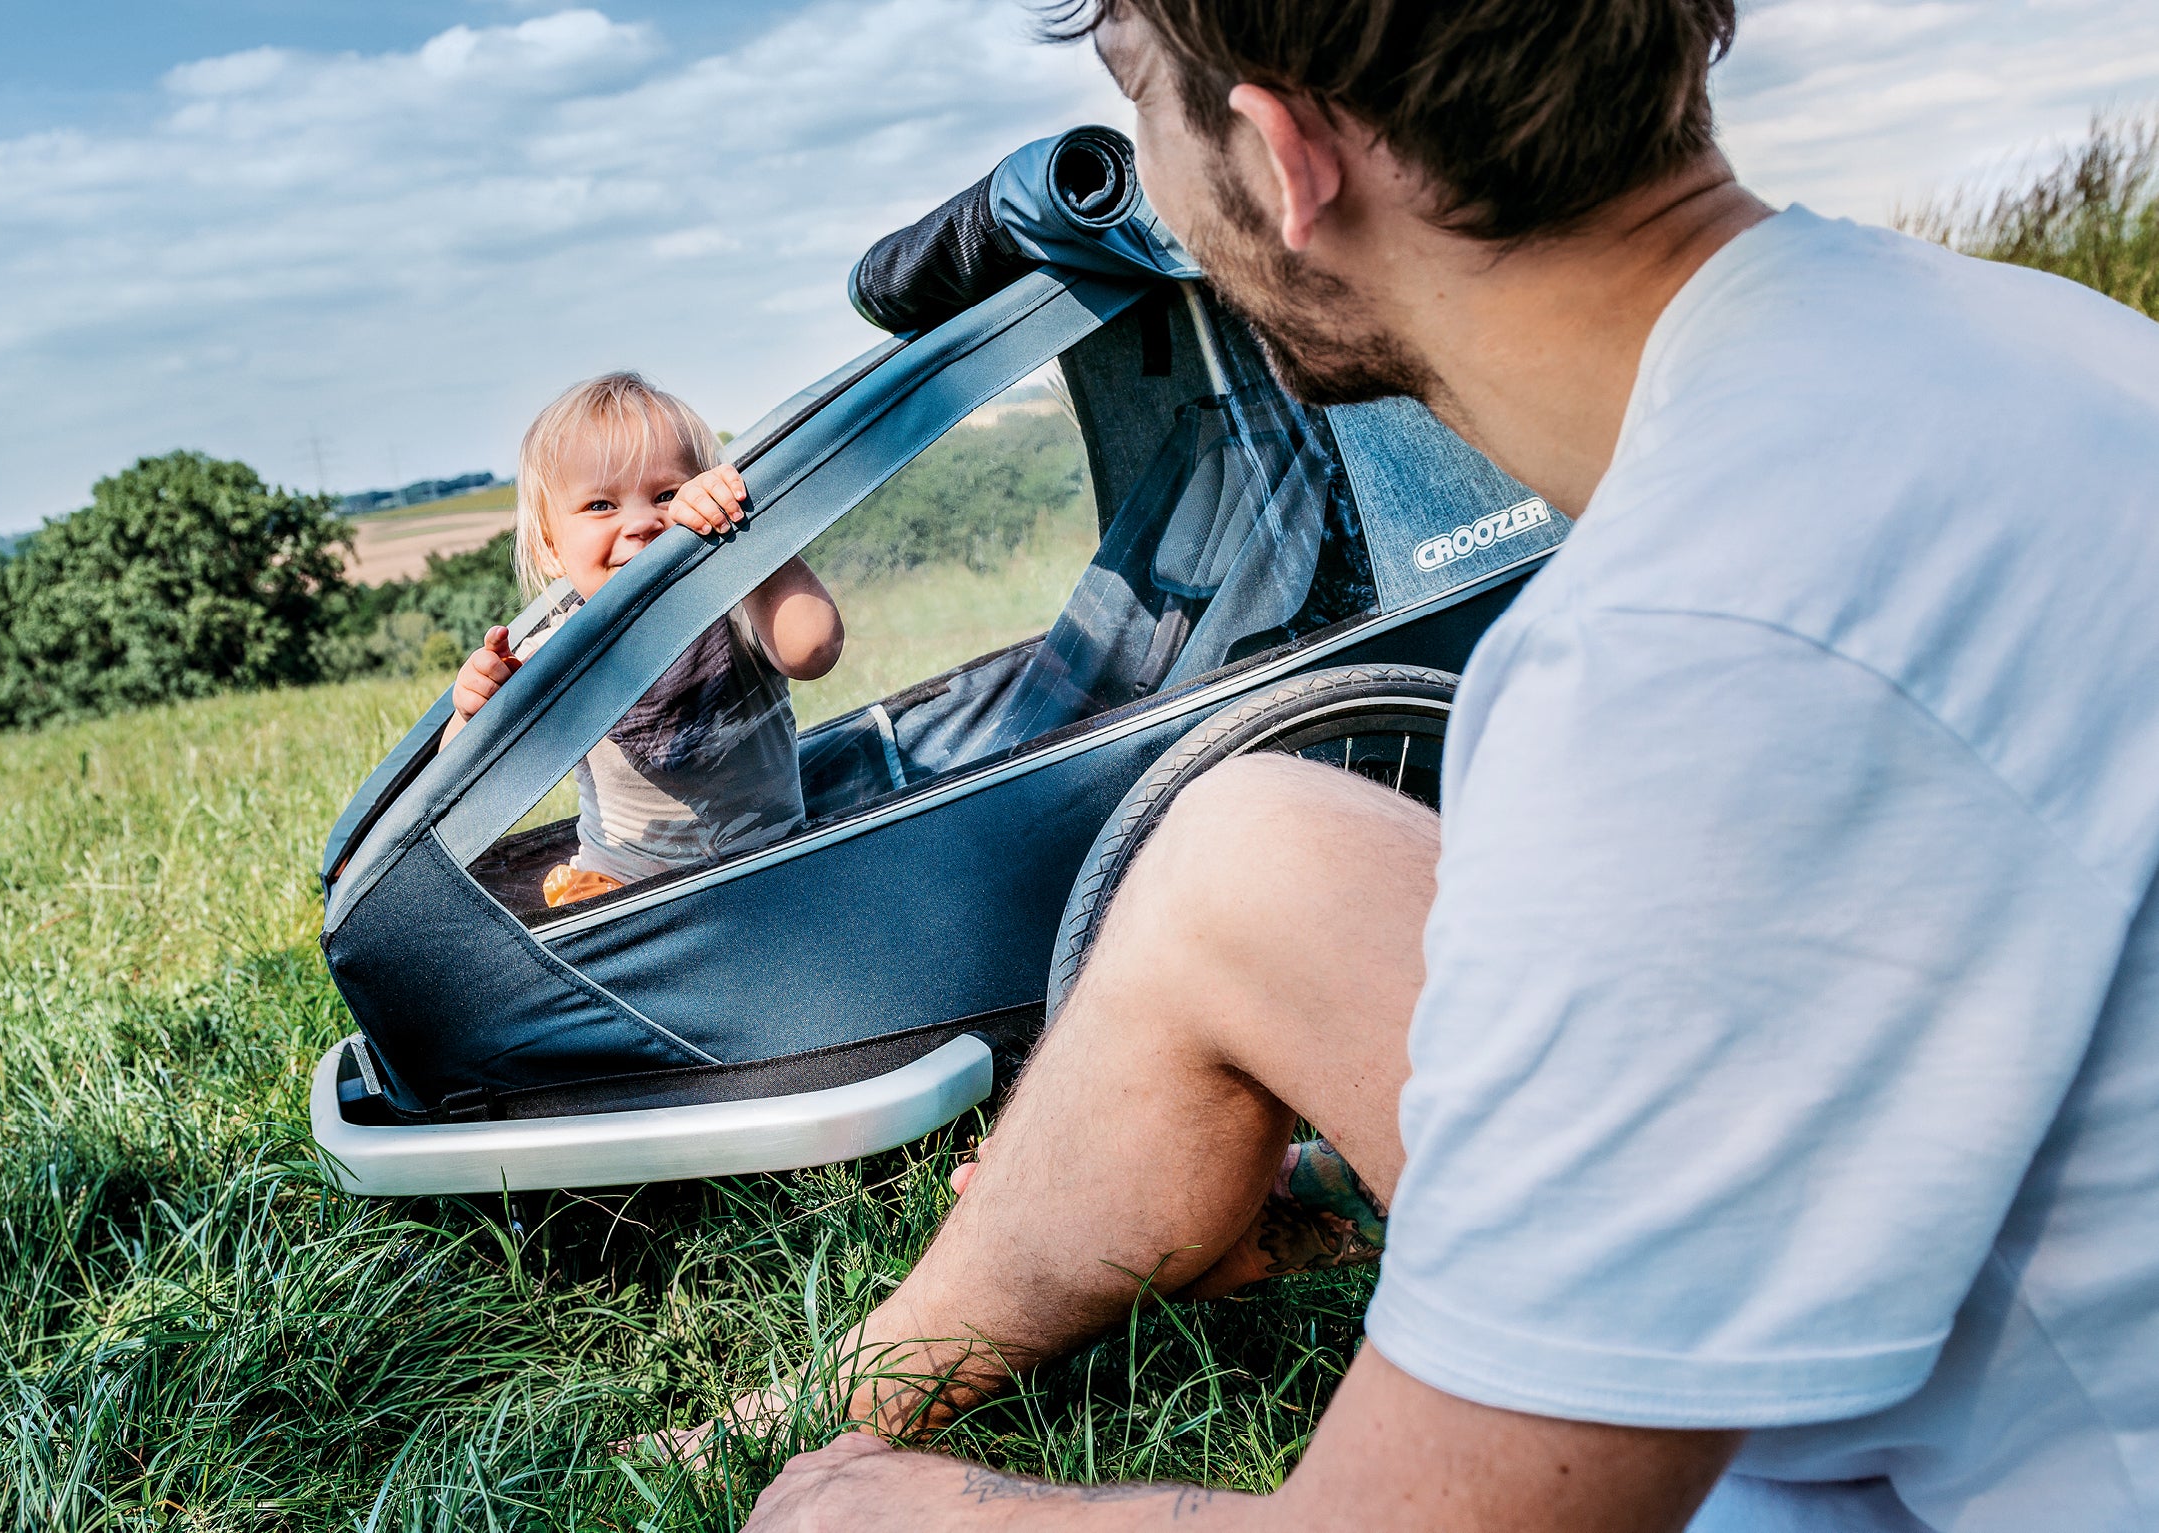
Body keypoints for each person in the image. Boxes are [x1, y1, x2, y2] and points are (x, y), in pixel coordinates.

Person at [731, 1, 2159, 1528]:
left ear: (1284, 156)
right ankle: (858, 1383)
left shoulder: (1688, 652)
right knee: (1251, 850)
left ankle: (831, 1466)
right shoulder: (2011, 333)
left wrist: (899, 1516)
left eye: (1138, 97)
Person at [441, 371, 843, 907]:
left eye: (669, 494)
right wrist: (473, 716)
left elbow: (813, 649)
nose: (641, 523)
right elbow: (463, 796)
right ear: (548, 546)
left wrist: (751, 540)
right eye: (601, 506)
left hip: (773, 872)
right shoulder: (552, 656)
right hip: (626, 898)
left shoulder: (735, 603)